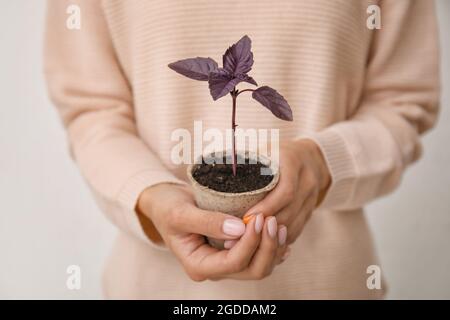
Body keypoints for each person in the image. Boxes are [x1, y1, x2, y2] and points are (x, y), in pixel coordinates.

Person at [45, 0, 440, 299]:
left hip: (328, 284)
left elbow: (403, 103)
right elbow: (93, 110)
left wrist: (323, 162)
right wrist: (151, 196)